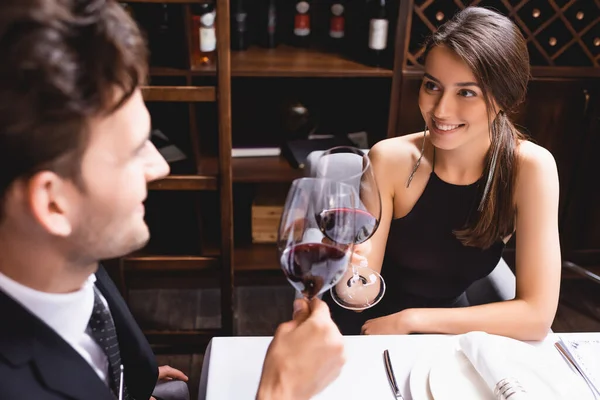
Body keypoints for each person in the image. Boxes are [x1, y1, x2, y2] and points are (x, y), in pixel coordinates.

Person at [0, 1, 345, 399]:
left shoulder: (67, 256)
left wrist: (124, 384)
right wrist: (282, 392)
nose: (160, 166)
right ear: (54, 203)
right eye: (133, 150)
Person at [324, 6, 561, 340]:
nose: (440, 110)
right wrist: (347, 269)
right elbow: (359, 297)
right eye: (432, 86)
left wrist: (411, 320)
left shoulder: (531, 170)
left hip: (447, 332)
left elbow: (537, 316)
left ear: (504, 99)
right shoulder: (389, 159)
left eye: (466, 92)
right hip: (365, 329)